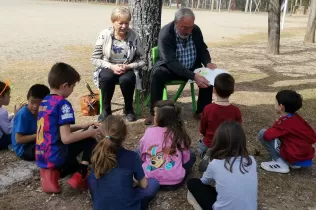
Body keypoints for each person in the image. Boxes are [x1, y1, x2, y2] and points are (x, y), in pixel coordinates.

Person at [145, 7, 217, 125]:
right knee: (158, 74)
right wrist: (194, 76)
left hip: (192, 67)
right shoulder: (166, 33)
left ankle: (202, 111)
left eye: (190, 27)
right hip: (171, 68)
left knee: (208, 76)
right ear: (176, 23)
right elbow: (171, 62)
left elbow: (202, 48)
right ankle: (155, 113)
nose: (188, 31)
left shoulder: (196, 30)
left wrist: (207, 62)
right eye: (184, 27)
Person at [36, 62, 101, 193]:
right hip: (58, 157)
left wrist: (83, 126)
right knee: (92, 137)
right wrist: (90, 132)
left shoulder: (44, 102)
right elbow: (66, 138)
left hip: (42, 156)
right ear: (65, 85)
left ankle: (56, 175)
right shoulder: (63, 104)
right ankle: (80, 174)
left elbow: (55, 130)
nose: (72, 90)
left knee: (87, 131)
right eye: (72, 87)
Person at [88, 115, 159, 210]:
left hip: (102, 204)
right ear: (124, 136)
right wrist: (133, 181)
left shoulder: (97, 155)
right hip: (127, 205)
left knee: (93, 180)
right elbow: (144, 185)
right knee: (153, 183)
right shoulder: (132, 156)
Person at [187, 121, 258, 210]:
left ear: (218, 141)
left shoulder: (215, 164)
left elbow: (204, 182)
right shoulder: (251, 160)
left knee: (193, 182)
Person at [91, 7, 145, 122]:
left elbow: (143, 60)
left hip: (127, 67)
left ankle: (129, 109)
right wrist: (111, 66)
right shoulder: (104, 35)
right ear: (113, 22)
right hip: (108, 66)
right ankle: (106, 110)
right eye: (121, 23)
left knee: (127, 79)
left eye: (127, 23)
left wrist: (129, 66)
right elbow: (94, 59)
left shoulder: (134, 36)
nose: (124, 26)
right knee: (106, 77)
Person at [139, 100, 196, 190]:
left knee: (139, 151)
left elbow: (143, 153)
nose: (153, 117)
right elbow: (186, 159)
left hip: (150, 178)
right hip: (175, 182)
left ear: (160, 118)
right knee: (191, 154)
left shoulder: (149, 131)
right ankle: (175, 172)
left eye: (155, 114)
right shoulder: (178, 132)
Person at [258, 90, 316, 174]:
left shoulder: (285, 123)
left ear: (281, 106)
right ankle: (292, 162)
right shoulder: (297, 118)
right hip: (305, 158)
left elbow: (267, 135)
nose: (274, 104)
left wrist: (277, 123)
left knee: (262, 133)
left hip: (295, 157)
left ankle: (280, 162)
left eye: (276, 102)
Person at [197, 73, 242, 172]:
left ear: (214, 90)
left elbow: (202, 129)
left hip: (210, 143)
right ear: (233, 90)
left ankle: (208, 157)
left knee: (200, 147)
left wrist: (204, 134)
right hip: (228, 145)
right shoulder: (236, 110)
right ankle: (226, 158)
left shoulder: (208, 108)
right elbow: (238, 129)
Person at [11, 84, 50, 161]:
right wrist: (40, 135)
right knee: (51, 150)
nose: (35, 106)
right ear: (27, 99)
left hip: (35, 142)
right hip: (24, 149)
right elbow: (19, 139)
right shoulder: (23, 114)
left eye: (40, 103)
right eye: (32, 102)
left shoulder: (43, 111)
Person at [0, 80, 24, 150]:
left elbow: (2, 120)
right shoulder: (2, 112)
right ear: (1, 96)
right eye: (8, 95)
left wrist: (12, 115)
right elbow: (9, 130)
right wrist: (16, 116)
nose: (10, 97)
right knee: (19, 132)